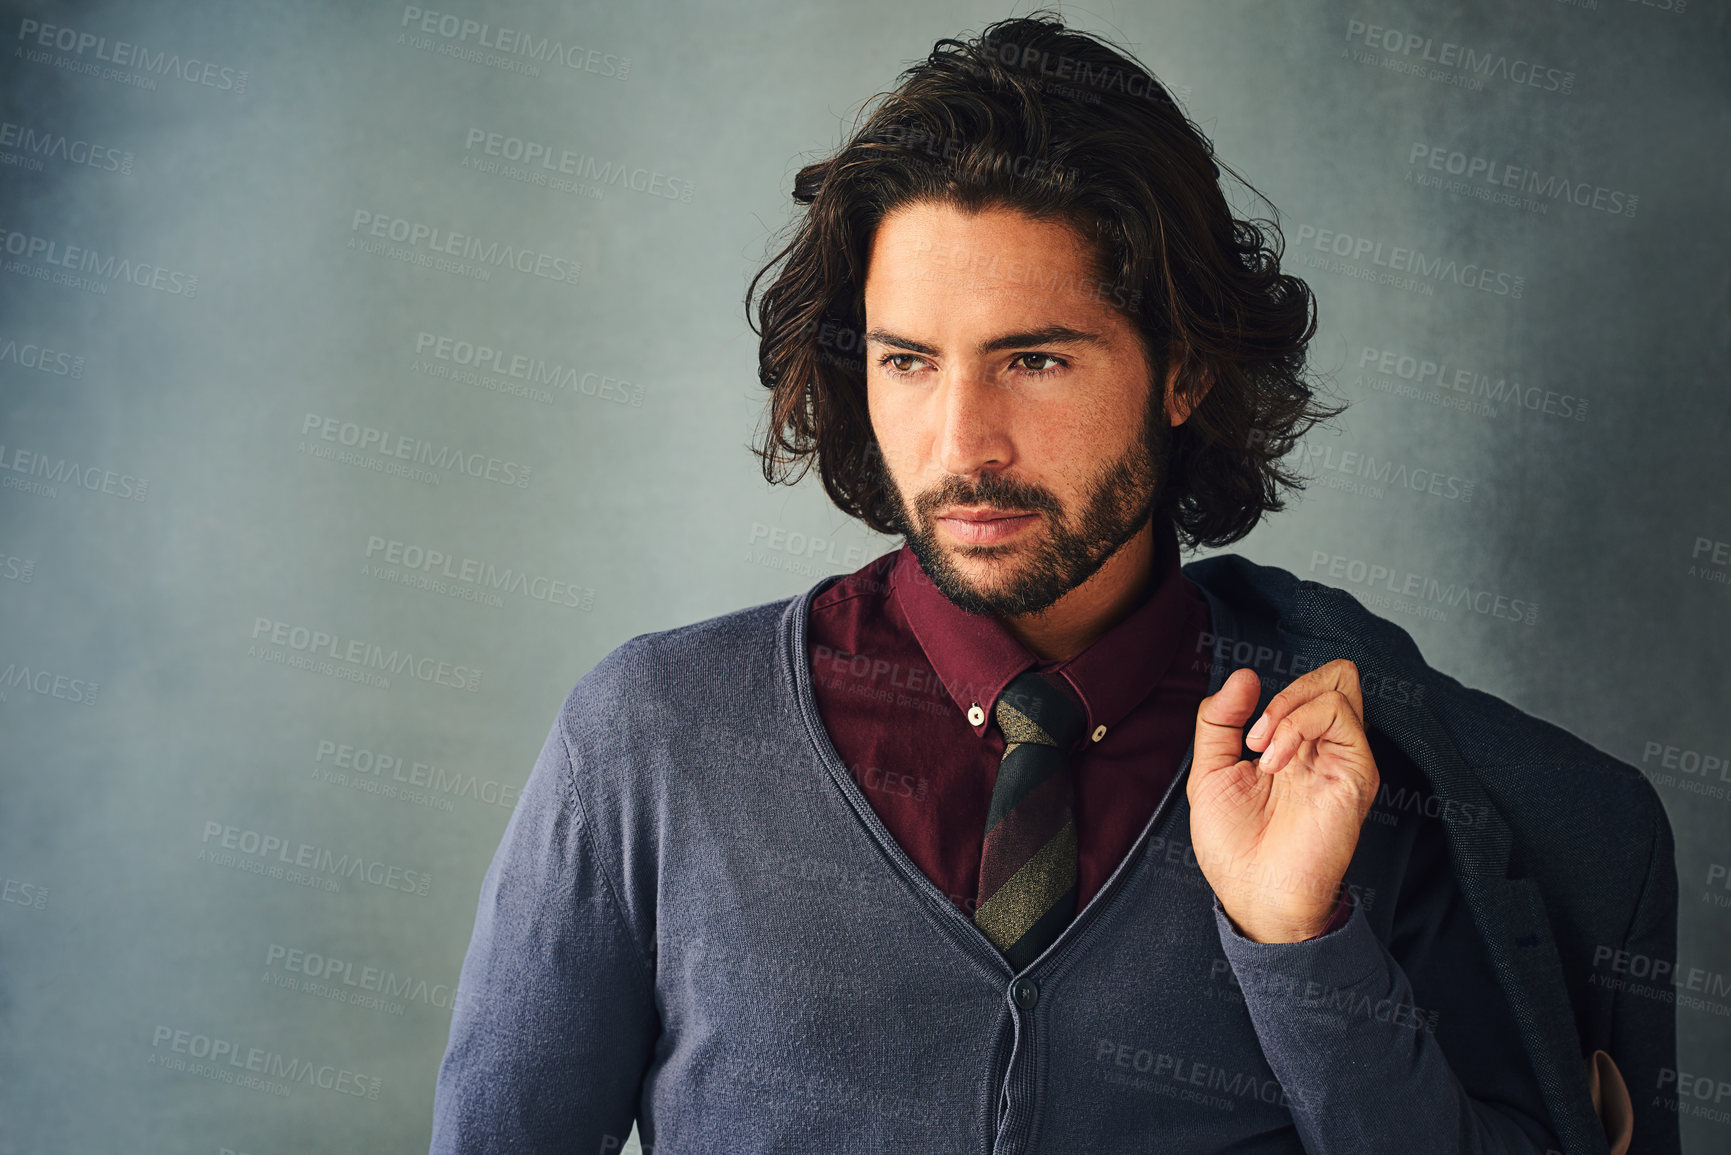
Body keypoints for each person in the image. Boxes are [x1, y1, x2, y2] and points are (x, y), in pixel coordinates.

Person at [428, 13, 1674, 1154]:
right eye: (908, 361)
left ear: (1181, 374)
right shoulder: (653, 737)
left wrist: (1300, 944)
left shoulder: (1357, 785)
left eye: (1034, 358)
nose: (964, 441)